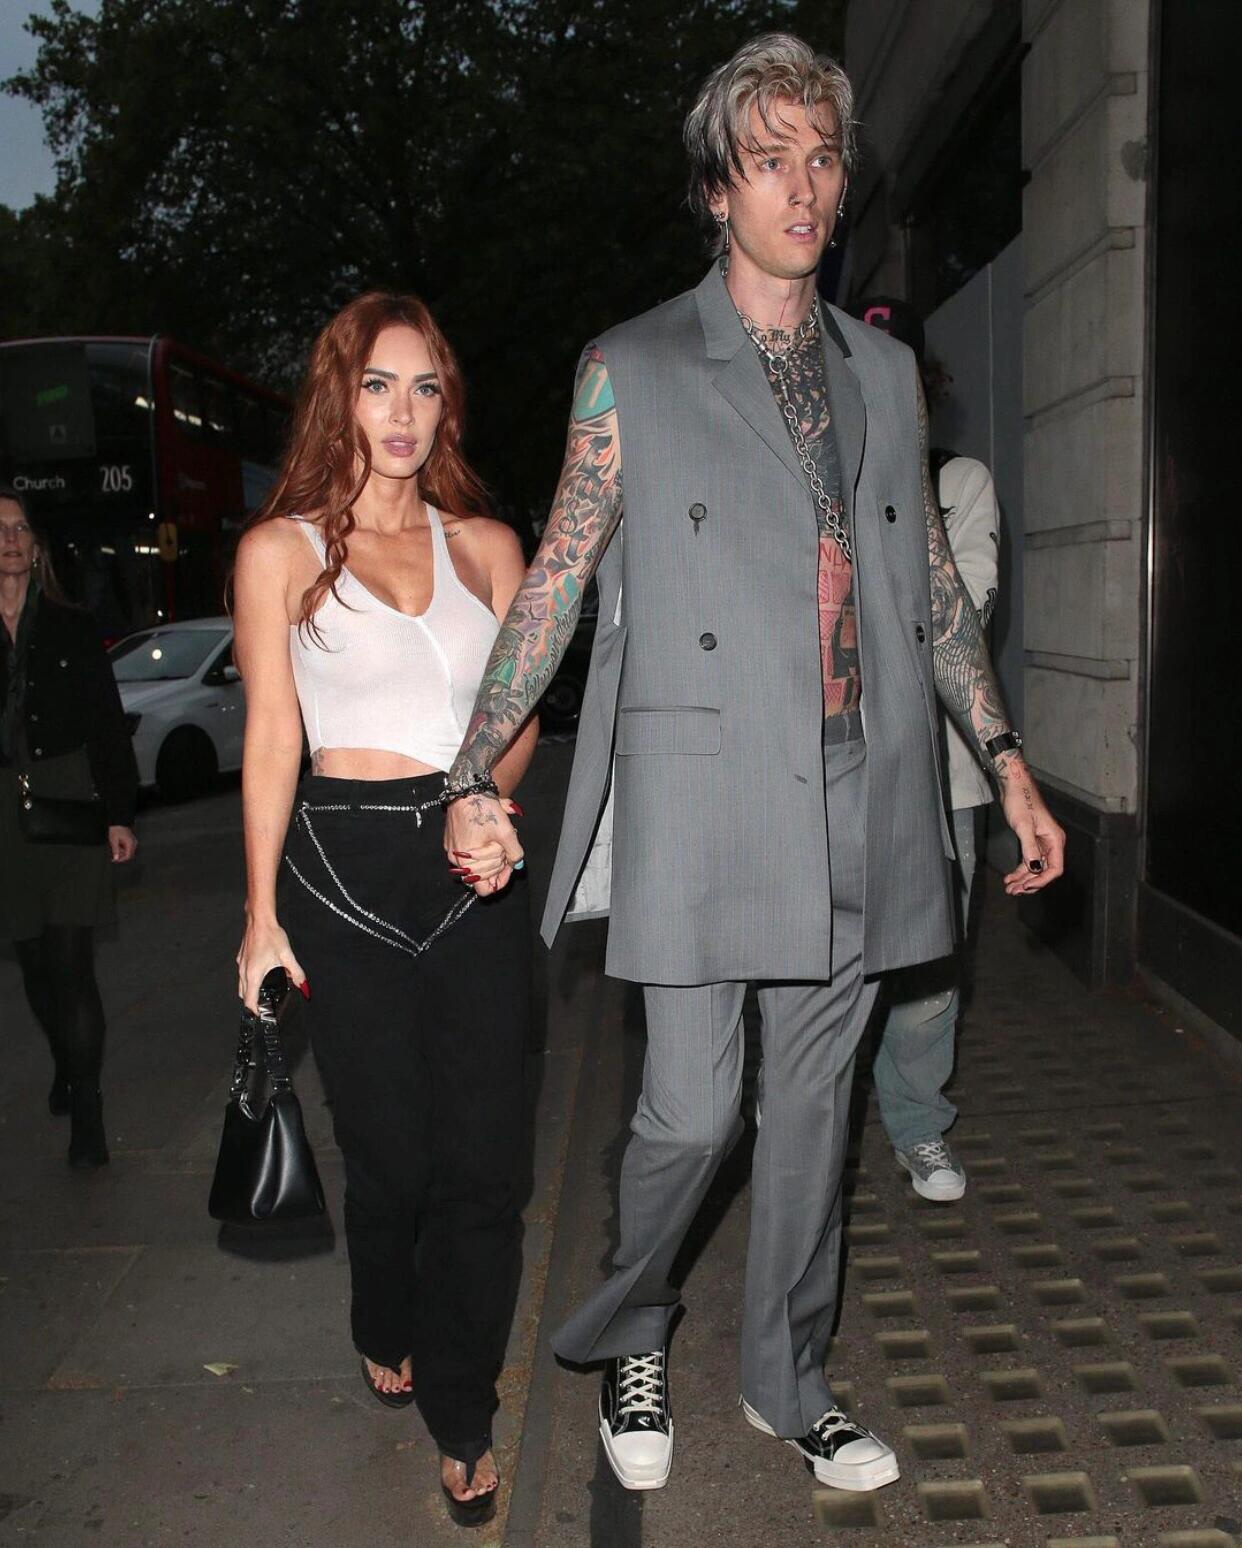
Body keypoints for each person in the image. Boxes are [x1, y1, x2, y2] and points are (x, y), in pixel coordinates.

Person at [442, 32, 1064, 1496]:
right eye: (769, 158)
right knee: (692, 1112)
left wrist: (1009, 763)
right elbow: (560, 576)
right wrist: (474, 767)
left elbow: (928, 591)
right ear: (717, 189)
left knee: (811, 1122)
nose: (803, 185)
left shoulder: (884, 374)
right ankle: (633, 1321)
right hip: (704, 796)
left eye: (822, 156)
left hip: (861, 788)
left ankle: (789, 1380)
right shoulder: (635, 366)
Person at [231, 294, 537, 1527]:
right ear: (339, 397)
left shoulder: (491, 547)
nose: (402, 412)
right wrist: (258, 915)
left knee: (486, 1169)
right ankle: (381, 1312)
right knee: (394, 1163)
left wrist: (485, 798)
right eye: (376, 385)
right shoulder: (281, 551)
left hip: (472, 865)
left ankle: (463, 1416)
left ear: (445, 405)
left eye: (424, 387)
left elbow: (515, 716)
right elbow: (271, 737)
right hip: (342, 874)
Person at [856, 297, 1000, 1202]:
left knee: (932, 972)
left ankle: (916, 1123)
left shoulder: (960, 482)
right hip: (827, 768)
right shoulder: (801, 477)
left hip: (945, 774)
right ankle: (801, 1116)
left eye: (897, 370)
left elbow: (963, 617)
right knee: (817, 960)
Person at [0, 484, 138, 1168]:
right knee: (33, 962)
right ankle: (66, 1057)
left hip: (70, 797)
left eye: (20, 528)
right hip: (5, 811)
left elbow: (107, 722)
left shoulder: (71, 625)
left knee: (70, 961)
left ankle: (88, 1110)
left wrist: (119, 813)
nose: (11, 539)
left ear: (37, 546)